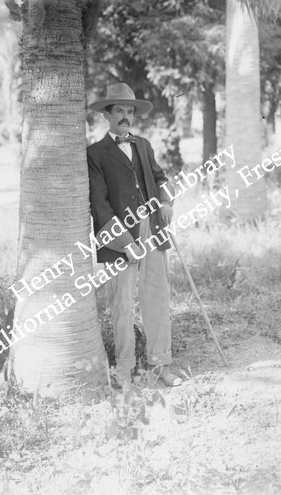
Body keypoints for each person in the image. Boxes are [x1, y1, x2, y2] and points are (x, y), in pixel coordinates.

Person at [87, 83, 182, 387]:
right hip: (119, 237)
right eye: (119, 111)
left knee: (156, 296)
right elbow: (99, 204)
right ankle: (124, 370)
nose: (125, 116)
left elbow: (160, 176)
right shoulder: (95, 153)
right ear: (108, 115)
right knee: (122, 303)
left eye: (129, 111)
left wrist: (166, 201)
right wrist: (125, 244)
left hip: (151, 228)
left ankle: (161, 365)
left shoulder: (143, 144)